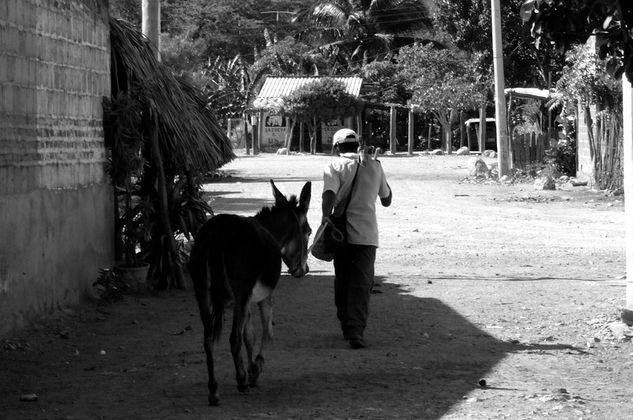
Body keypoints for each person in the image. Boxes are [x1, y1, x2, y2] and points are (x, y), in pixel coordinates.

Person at [321, 128, 392, 349]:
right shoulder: (375, 165)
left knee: (342, 280)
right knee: (361, 285)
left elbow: (329, 195)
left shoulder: (334, 166)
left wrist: (326, 218)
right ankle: (356, 332)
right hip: (367, 236)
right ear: (357, 145)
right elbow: (387, 199)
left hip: (341, 235)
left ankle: (346, 325)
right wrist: (373, 173)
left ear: (336, 147)